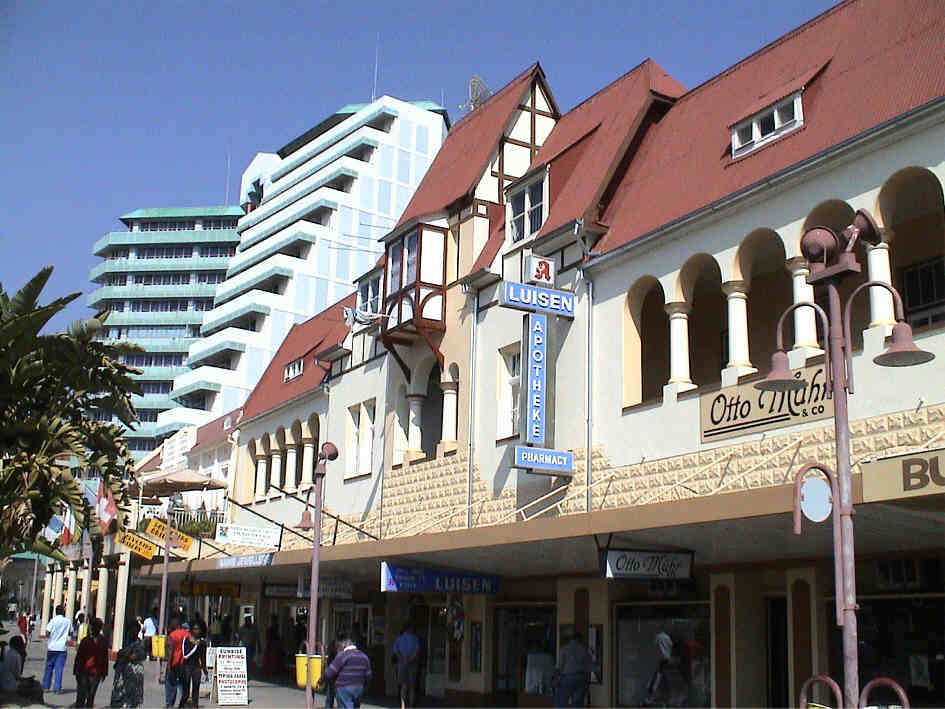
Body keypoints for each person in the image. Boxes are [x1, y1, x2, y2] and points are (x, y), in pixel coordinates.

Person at [321, 636, 372, 709]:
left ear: (344, 644)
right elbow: (368, 675)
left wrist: (322, 679)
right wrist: (364, 686)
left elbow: (330, 672)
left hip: (344, 687)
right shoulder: (364, 656)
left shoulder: (342, 655)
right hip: (358, 688)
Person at [74, 617, 109, 708]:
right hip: (85, 672)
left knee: (89, 696)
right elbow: (79, 658)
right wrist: (77, 672)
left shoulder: (102, 641)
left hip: (94, 672)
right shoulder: (86, 640)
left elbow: (105, 658)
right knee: (82, 695)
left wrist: (104, 673)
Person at [554, 632, 592, 708]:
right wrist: (587, 682)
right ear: (580, 639)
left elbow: (559, 666)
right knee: (578, 702)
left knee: (561, 701)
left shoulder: (564, 649)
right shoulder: (584, 650)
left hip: (567, 678)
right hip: (581, 678)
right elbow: (588, 667)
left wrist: (556, 679)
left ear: (571, 639)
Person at [0, 635, 42, 704]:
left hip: (5, 683)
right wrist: (26, 680)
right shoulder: (16, 655)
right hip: (10, 686)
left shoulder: (8, 653)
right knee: (37, 686)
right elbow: (16, 676)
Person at [110, 635, 147, 708]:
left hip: (132, 684)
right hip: (123, 681)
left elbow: (138, 655)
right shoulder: (125, 644)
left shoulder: (139, 646)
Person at [42, 604, 72, 693]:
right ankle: (57, 688)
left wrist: (52, 636)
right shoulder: (68, 621)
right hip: (62, 648)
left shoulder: (53, 621)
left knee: (49, 667)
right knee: (59, 669)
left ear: (56, 612)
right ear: (63, 612)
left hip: (52, 647)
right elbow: (71, 632)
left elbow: (47, 632)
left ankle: (46, 686)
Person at [178, 621, 207, 708]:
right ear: (191, 630)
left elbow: (203, 657)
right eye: (195, 629)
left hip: (196, 667)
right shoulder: (186, 640)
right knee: (186, 692)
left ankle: (195, 705)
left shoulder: (202, 643)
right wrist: (195, 645)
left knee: (196, 689)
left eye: (198, 629)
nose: (196, 631)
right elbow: (185, 655)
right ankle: (182, 706)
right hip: (187, 667)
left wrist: (204, 670)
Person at [392, 624, 421, 709]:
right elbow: (417, 652)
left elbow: (396, 651)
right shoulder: (415, 639)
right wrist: (409, 660)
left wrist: (403, 660)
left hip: (402, 664)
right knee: (412, 687)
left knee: (403, 686)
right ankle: (411, 705)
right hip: (413, 664)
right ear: (411, 629)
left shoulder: (399, 639)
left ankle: (402, 705)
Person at [164, 617, 190, 708]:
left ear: (175, 625)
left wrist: (168, 665)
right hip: (185, 664)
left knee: (171, 683)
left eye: (171, 624)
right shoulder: (188, 634)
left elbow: (170, 651)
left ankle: (170, 703)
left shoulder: (172, 635)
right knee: (184, 684)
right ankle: (183, 703)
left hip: (174, 663)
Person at [324, 632, 344, 708]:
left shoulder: (333, 643)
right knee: (338, 692)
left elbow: (329, 656)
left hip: (332, 668)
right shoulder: (342, 645)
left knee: (331, 691)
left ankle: (328, 706)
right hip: (339, 670)